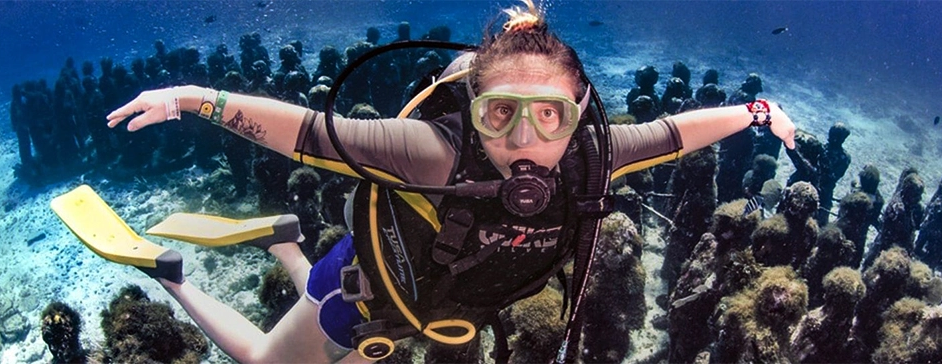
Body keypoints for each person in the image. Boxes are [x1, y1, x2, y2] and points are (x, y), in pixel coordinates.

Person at [100, 1, 796, 362]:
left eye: (550, 115)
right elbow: (312, 134)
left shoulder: (596, 154)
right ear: (472, 112)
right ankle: (174, 276)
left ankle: (286, 241)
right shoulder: (433, 153)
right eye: (500, 115)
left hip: (425, 308)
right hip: (368, 296)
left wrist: (758, 112)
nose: (525, 139)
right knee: (264, 360)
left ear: (580, 114)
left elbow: (680, 133)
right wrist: (198, 99)